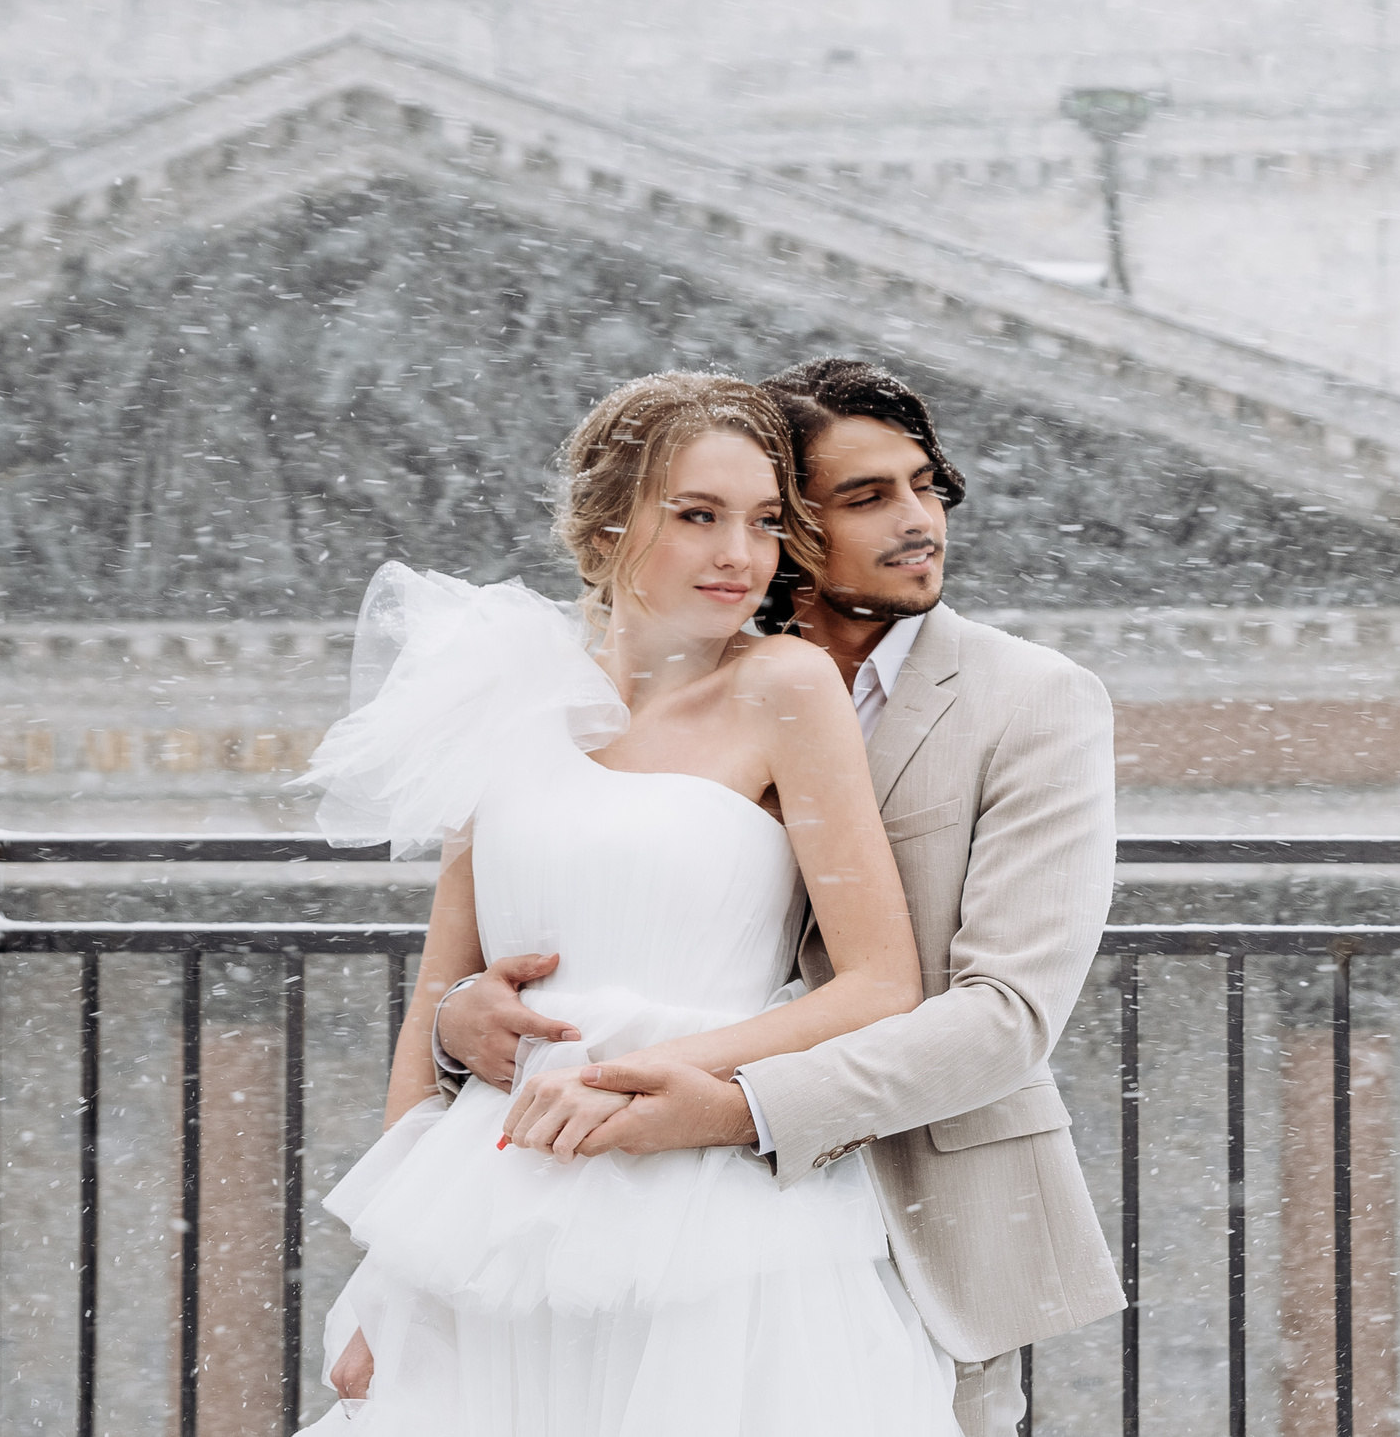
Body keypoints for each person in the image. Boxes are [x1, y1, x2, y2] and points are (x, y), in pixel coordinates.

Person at [436, 357, 1124, 1437]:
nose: (919, 521)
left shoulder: (1034, 702)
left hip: (923, 1224)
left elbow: (1006, 1017)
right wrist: (458, 1017)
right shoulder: (662, 684)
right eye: (866, 497)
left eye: (926, 486)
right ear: (793, 524)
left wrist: (739, 1110)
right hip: (616, 1213)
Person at [294, 371, 963, 1434]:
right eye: (697, 516)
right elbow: (438, 998)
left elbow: (881, 984)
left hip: (703, 1205)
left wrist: (654, 1075)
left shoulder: (786, 687)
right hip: (494, 1204)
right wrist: (390, 1269)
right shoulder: (509, 691)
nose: (740, 554)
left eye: (762, 522)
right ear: (606, 525)